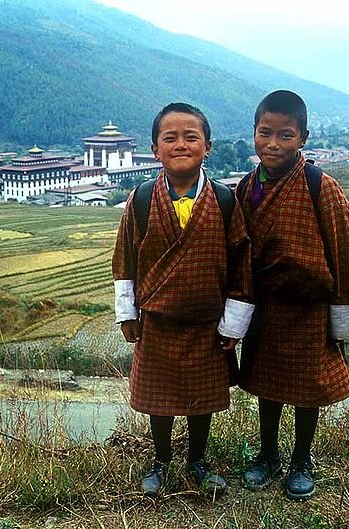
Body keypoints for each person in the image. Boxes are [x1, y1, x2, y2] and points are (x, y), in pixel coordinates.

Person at [112, 102, 254, 497]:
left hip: (207, 323)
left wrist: (233, 324)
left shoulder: (225, 201)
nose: (180, 144)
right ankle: (160, 458)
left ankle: (198, 459)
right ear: (155, 149)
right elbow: (124, 259)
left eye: (191, 137)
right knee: (159, 400)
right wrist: (128, 313)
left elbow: (241, 262)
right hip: (156, 320)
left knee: (201, 399)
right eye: (169, 137)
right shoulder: (140, 200)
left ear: (207, 146)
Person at [236, 90, 349, 500]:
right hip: (265, 306)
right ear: (254, 133)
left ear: (303, 138)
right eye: (265, 133)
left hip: (308, 307)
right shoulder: (245, 187)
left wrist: (344, 307)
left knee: (306, 388)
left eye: (286, 135)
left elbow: (346, 249)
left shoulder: (319, 186)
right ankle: (268, 454)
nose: (273, 144)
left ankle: (301, 459)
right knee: (267, 384)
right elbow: (238, 249)